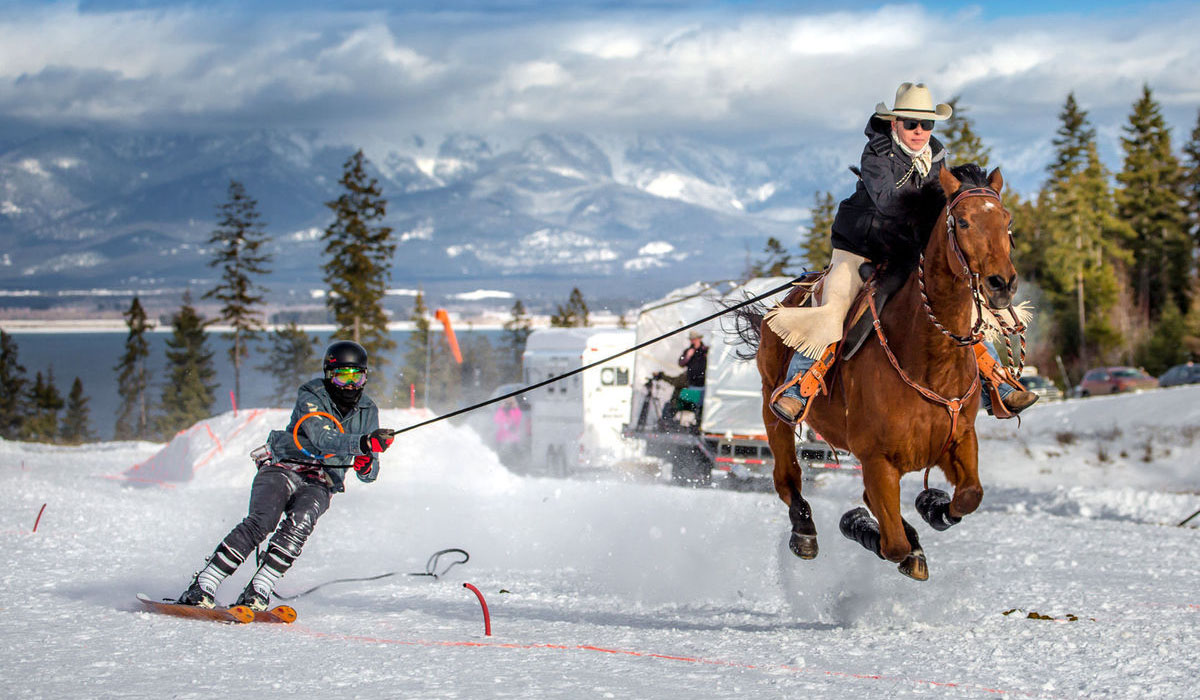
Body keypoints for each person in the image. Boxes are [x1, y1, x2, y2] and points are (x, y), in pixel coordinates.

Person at [765, 82, 1037, 422]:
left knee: (967, 309)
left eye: (927, 124)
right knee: (836, 309)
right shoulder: (877, 154)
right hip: (860, 249)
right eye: (911, 123)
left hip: (908, 253)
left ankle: (997, 382)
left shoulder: (937, 155)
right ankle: (798, 386)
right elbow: (890, 205)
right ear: (894, 124)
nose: (919, 131)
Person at [177, 340, 395, 610]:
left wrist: (366, 464)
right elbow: (321, 438)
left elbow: (370, 471)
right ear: (329, 375)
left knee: (300, 523)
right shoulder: (312, 394)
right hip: (284, 465)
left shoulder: (368, 410)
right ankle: (204, 583)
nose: (350, 385)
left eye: (357, 377)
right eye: (342, 377)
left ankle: (260, 588)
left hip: (322, 480)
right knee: (263, 521)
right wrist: (362, 443)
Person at [492, 397, 524, 463]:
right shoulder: (501, 411)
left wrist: (512, 425)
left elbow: (518, 419)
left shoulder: (516, 410)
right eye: (507, 403)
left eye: (510, 403)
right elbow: (497, 420)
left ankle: (518, 466)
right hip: (501, 437)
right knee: (500, 454)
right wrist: (502, 409)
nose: (508, 405)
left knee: (515, 454)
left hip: (513, 438)